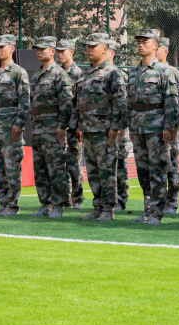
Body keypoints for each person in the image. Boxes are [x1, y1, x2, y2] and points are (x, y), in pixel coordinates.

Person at [70, 33, 129, 221]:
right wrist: (79, 125)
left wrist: (116, 127)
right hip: (88, 129)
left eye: (93, 46)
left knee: (107, 171)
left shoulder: (113, 72)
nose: (89, 49)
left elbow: (121, 103)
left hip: (105, 131)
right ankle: (97, 206)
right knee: (93, 171)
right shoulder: (85, 74)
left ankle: (108, 209)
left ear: (105, 49)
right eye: (87, 46)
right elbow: (80, 102)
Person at [127, 29, 179, 226]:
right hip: (138, 127)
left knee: (157, 170)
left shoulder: (164, 71)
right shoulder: (133, 72)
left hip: (157, 128)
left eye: (145, 41)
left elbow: (171, 101)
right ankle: (147, 209)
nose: (141, 44)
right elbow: (129, 101)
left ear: (155, 45)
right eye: (139, 41)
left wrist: (169, 126)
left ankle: (157, 212)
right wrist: (130, 127)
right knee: (142, 171)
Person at [29, 36, 73, 219]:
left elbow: (67, 103)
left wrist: (62, 126)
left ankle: (58, 205)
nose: (39, 51)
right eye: (37, 49)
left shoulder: (59, 74)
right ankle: (45, 204)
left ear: (52, 51)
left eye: (43, 49)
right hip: (39, 128)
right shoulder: (37, 75)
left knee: (56, 169)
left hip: (53, 128)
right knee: (40, 170)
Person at [0, 35, 30, 216]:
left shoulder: (19, 72)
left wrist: (19, 123)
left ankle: (12, 205)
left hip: (11, 126)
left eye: (2, 47)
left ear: (12, 48)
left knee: (12, 167)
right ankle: (3, 203)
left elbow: (25, 100)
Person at [155, 36, 179, 214]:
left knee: (171, 164)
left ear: (165, 51)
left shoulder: (173, 72)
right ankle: (156, 202)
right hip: (151, 126)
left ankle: (173, 201)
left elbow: (178, 102)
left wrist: (175, 126)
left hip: (169, 126)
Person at [56, 39, 85, 209]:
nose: (60, 54)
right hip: (59, 124)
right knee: (60, 164)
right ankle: (63, 198)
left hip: (73, 126)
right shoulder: (55, 73)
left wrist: (80, 125)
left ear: (71, 52)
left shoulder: (79, 74)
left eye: (63, 51)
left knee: (74, 164)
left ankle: (77, 199)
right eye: (58, 51)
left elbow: (81, 102)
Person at [104, 40, 131, 212]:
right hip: (104, 127)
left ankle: (121, 200)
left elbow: (124, 103)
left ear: (111, 53)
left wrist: (122, 126)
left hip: (120, 128)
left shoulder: (121, 75)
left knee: (120, 164)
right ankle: (107, 200)